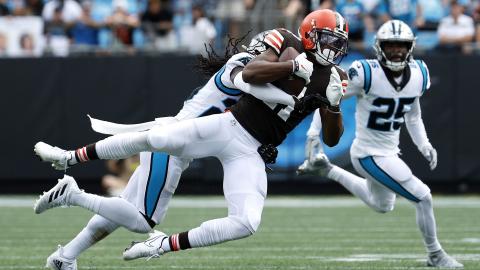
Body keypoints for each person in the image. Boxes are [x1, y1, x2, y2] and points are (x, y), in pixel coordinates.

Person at [33, 9, 348, 265]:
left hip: (240, 145)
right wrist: (292, 71)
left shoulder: (326, 75)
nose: (332, 48)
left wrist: (331, 105)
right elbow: (249, 77)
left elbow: (326, 130)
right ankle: (70, 172)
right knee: (142, 211)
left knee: (241, 221)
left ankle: (65, 257)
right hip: (202, 130)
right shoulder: (244, 66)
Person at [297, 20, 463, 268]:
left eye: (401, 46)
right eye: (390, 45)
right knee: (423, 197)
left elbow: (413, 113)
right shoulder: (365, 73)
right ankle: (435, 254)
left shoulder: (419, 74)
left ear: (410, 48)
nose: (396, 50)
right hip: (368, 154)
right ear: (379, 47)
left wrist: (424, 143)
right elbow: (329, 99)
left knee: (382, 205)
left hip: (388, 152)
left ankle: (327, 170)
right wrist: (312, 135)